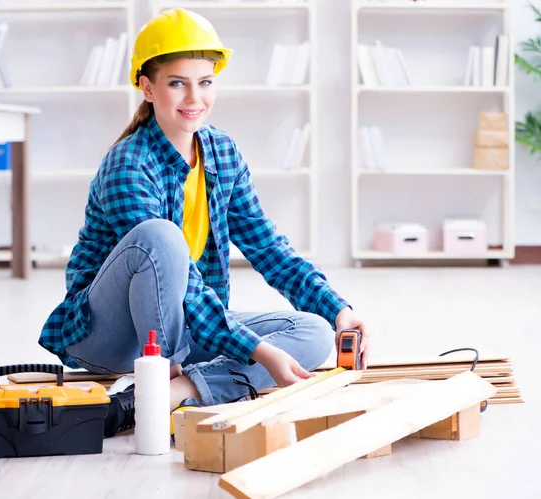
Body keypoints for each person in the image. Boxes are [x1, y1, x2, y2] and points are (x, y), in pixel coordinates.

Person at [39, 8, 370, 437]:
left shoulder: (222, 153)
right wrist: (256, 351)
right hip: (109, 335)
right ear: (147, 87)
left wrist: (339, 310)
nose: (195, 98)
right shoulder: (129, 164)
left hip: (186, 319)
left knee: (314, 333)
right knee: (161, 237)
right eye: (178, 83)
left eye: (205, 82)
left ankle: (166, 395)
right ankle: (167, 377)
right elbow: (178, 277)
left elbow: (267, 246)